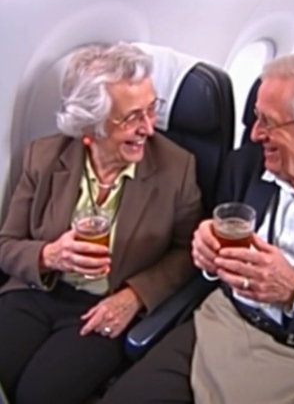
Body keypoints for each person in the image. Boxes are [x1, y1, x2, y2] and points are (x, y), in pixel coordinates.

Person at [99, 54, 294, 404]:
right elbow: (214, 242)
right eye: (256, 116)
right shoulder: (245, 166)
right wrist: (206, 251)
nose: (255, 133)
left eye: (268, 122)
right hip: (221, 321)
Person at [0, 42, 202, 404]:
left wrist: (135, 295)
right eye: (131, 118)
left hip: (103, 306)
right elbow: (6, 245)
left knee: (37, 396)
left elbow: (189, 252)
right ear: (90, 124)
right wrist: (48, 255)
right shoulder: (43, 157)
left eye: (151, 110)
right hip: (36, 292)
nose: (149, 128)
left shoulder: (177, 168)